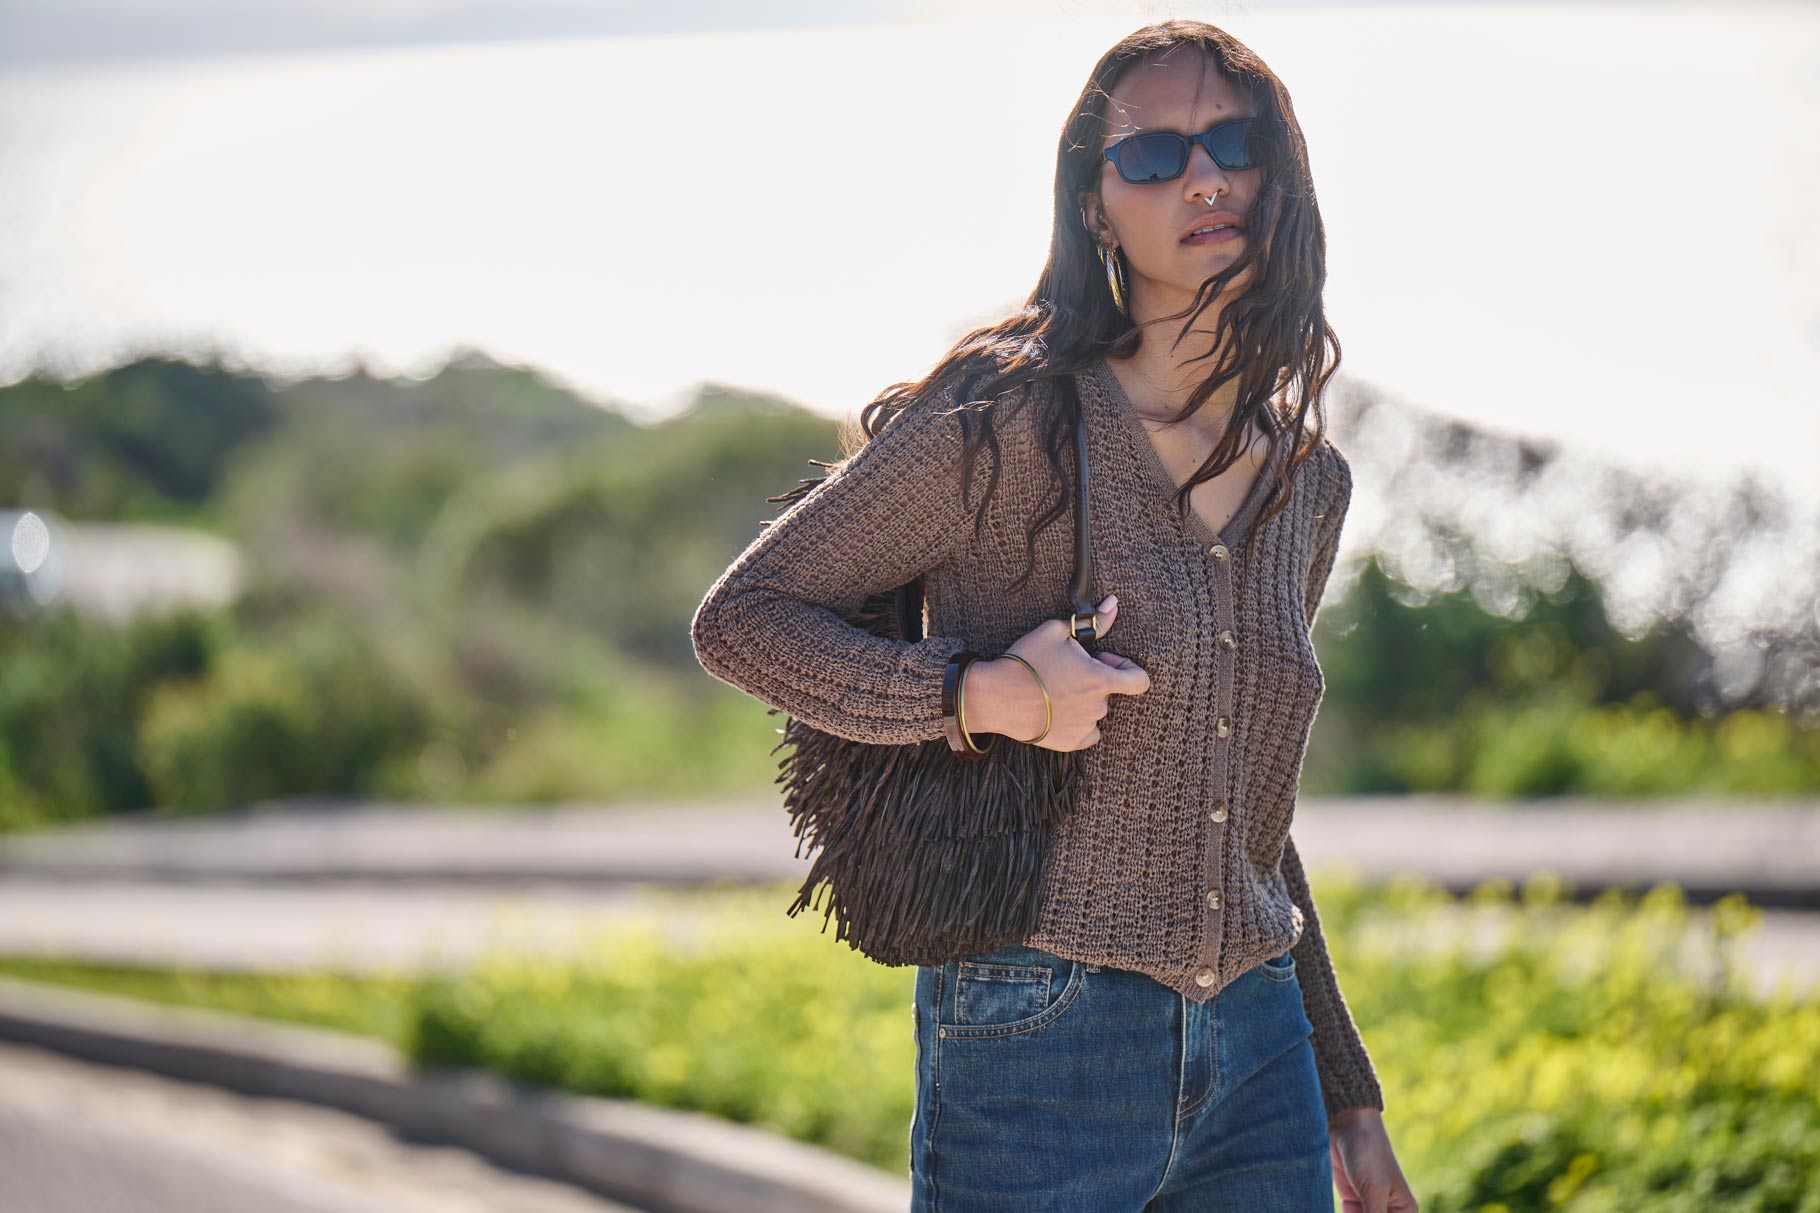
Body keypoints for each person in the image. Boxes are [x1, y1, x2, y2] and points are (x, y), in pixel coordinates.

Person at [690, 18, 1417, 1213]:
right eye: (1153, 155)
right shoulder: (1003, 422)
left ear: (1278, 175)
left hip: (1258, 1050)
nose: (1203, 178)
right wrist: (978, 695)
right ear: (1095, 208)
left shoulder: (1306, 481)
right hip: (1040, 1033)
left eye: (1234, 144)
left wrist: (1346, 1096)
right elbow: (743, 618)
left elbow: (1246, 816)